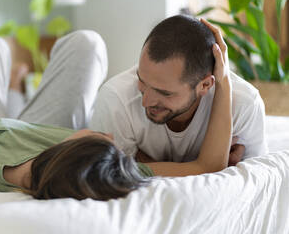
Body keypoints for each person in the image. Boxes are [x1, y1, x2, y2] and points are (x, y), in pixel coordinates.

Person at [0, 23, 232, 201]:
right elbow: (208, 165)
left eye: (99, 138)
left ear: (73, 147)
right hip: (24, 130)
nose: (110, 135)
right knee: (88, 42)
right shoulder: (102, 169)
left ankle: (13, 89)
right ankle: (15, 90)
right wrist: (223, 80)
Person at [89, 15, 267, 165]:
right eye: (142, 80)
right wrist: (217, 171)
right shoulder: (116, 98)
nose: (146, 101)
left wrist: (142, 161)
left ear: (205, 85)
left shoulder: (245, 105)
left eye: (165, 93)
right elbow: (111, 178)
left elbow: (257, 187)